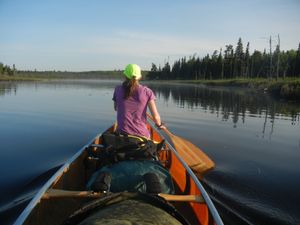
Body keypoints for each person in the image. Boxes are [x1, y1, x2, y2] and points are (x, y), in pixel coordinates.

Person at [113, 64, 165, 138]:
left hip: (121, 135)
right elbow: (156, 117)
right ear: (139, 77)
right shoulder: (147, 92)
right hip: (141, 136)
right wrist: (159, 124)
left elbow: (116, 108)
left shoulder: (117, 89)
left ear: (125, 75)